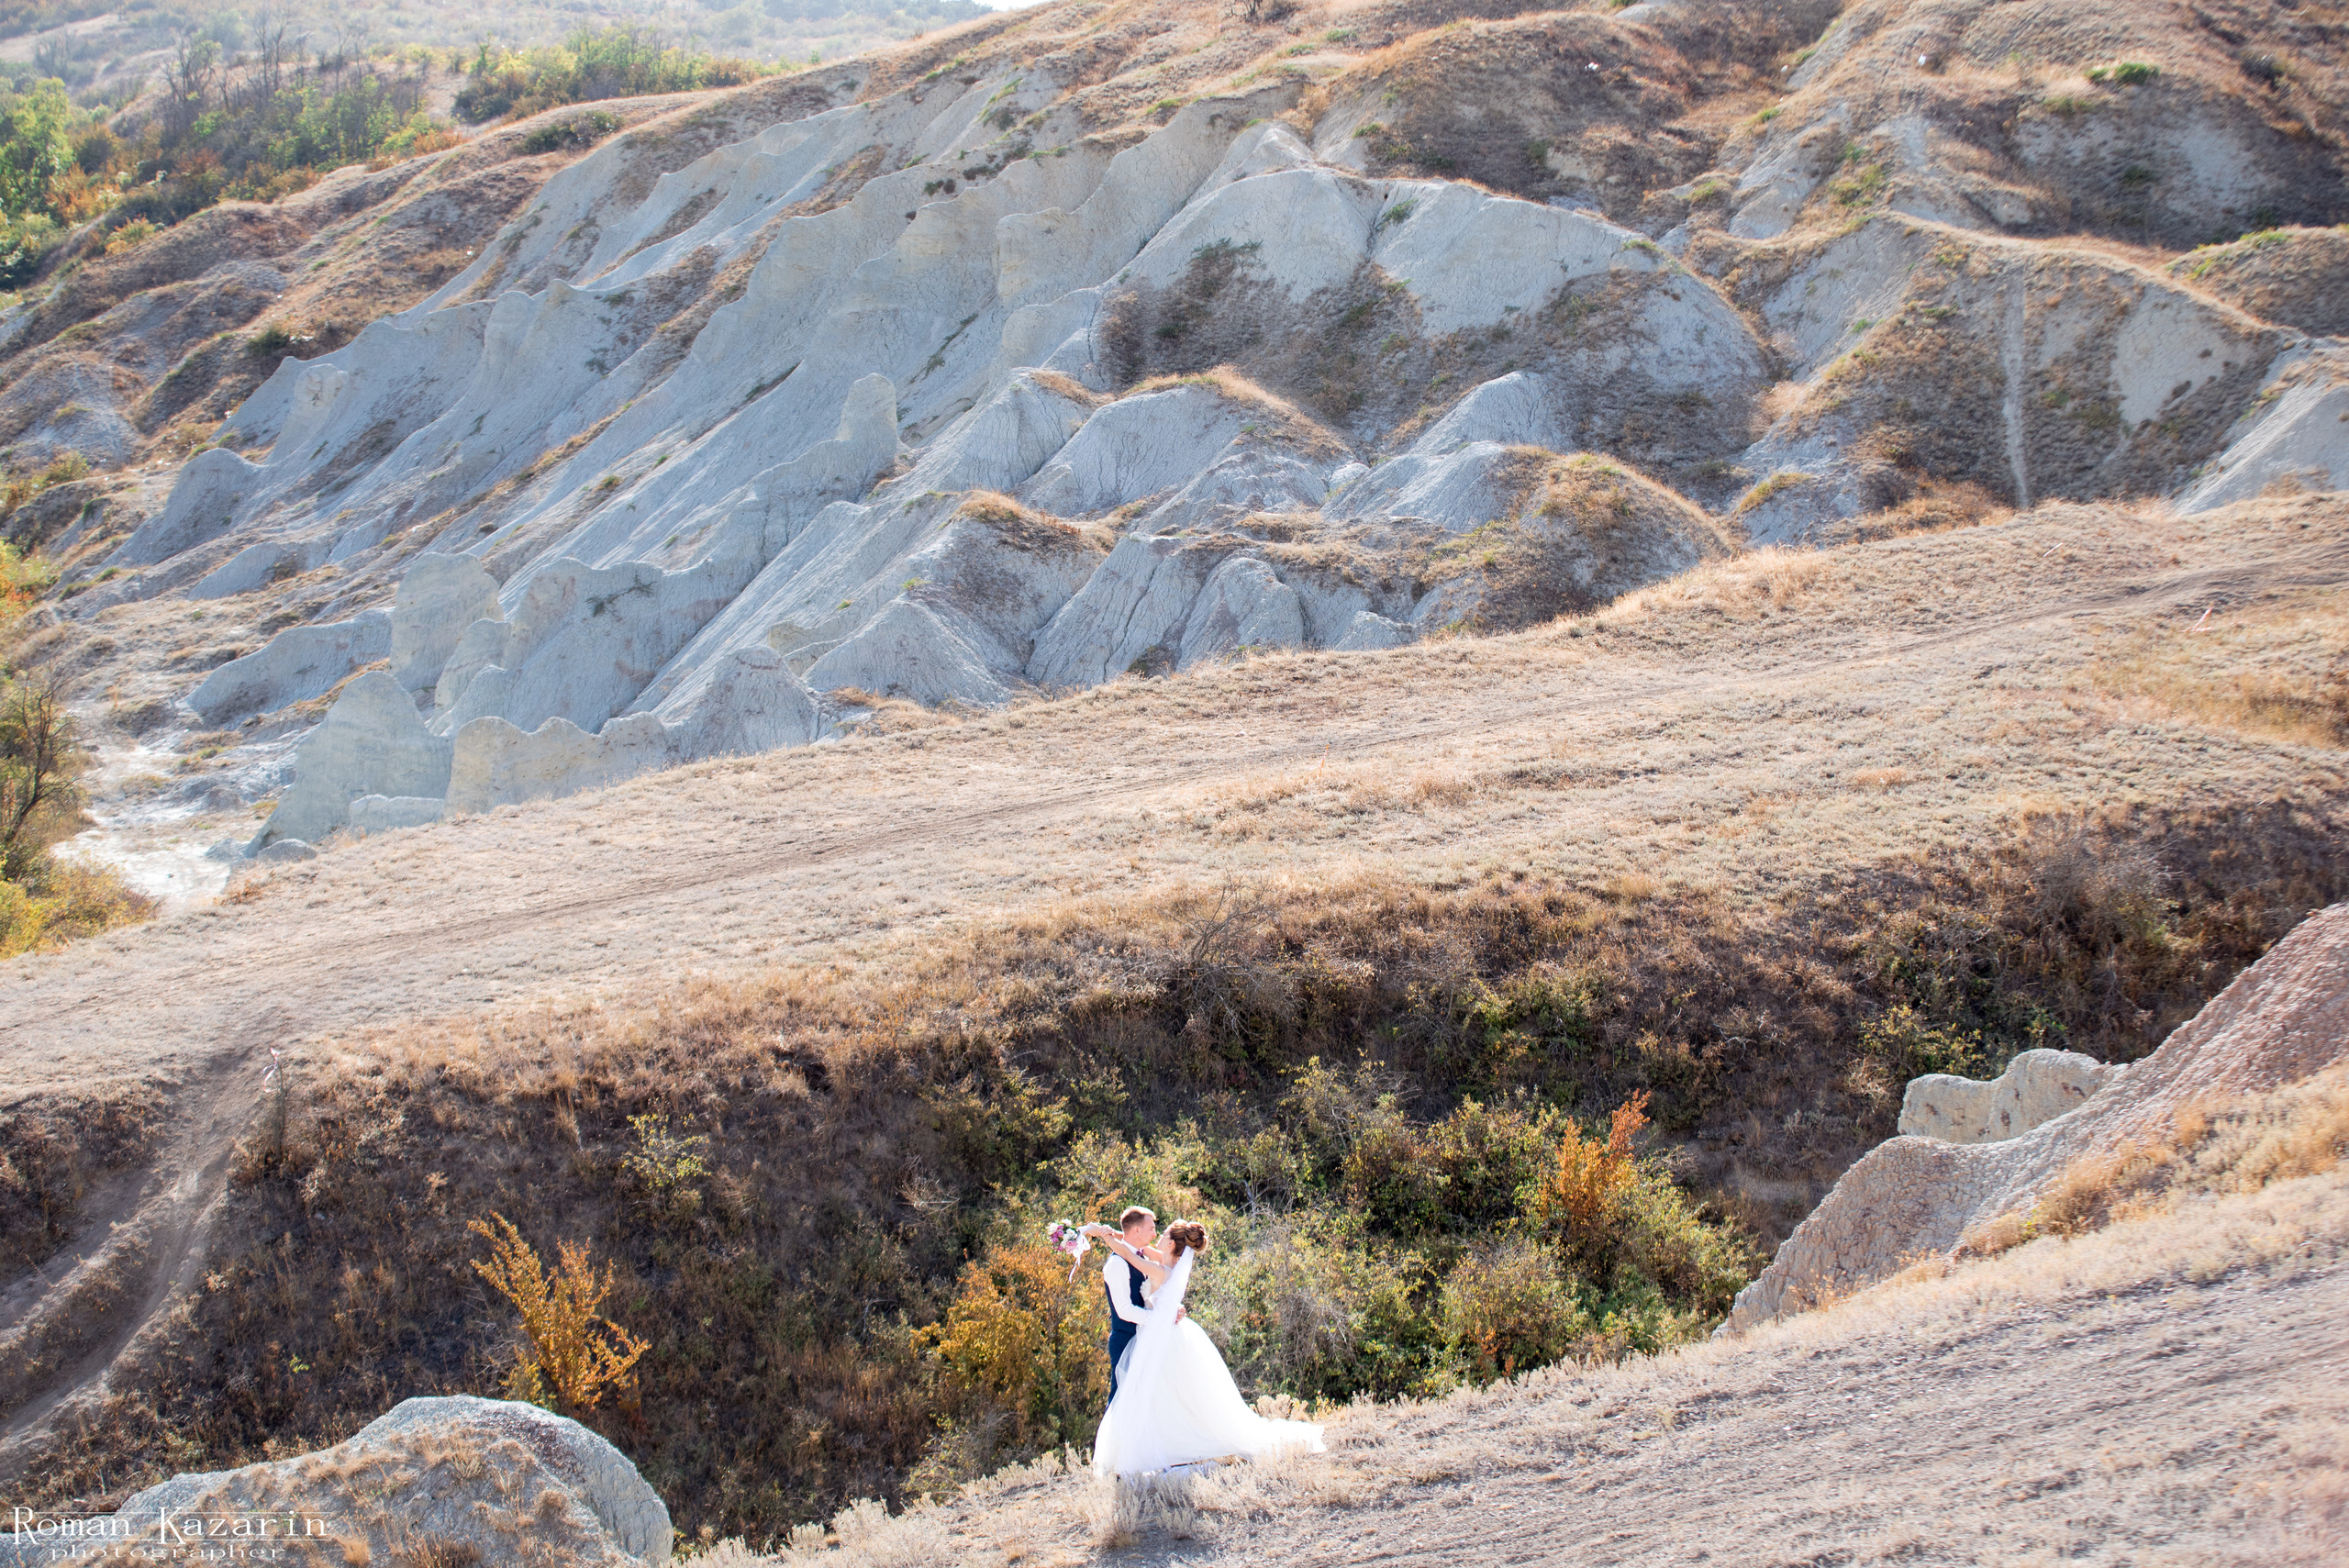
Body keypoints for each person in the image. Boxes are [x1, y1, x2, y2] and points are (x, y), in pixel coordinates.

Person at [1081, 1218, 1326, 1476]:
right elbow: (1133, 1244)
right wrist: (1101, 1232)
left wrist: (1107, 1239)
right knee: (1164, 1394)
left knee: (1160, 1391)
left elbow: (1127, 1253)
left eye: (1162, 1233)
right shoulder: (1164, 1260)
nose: (1158, 1236)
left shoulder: (1159, 1268)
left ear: (1173, 1243)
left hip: (1159, 1335)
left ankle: (1168, 1444)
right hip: (1158, 1333)